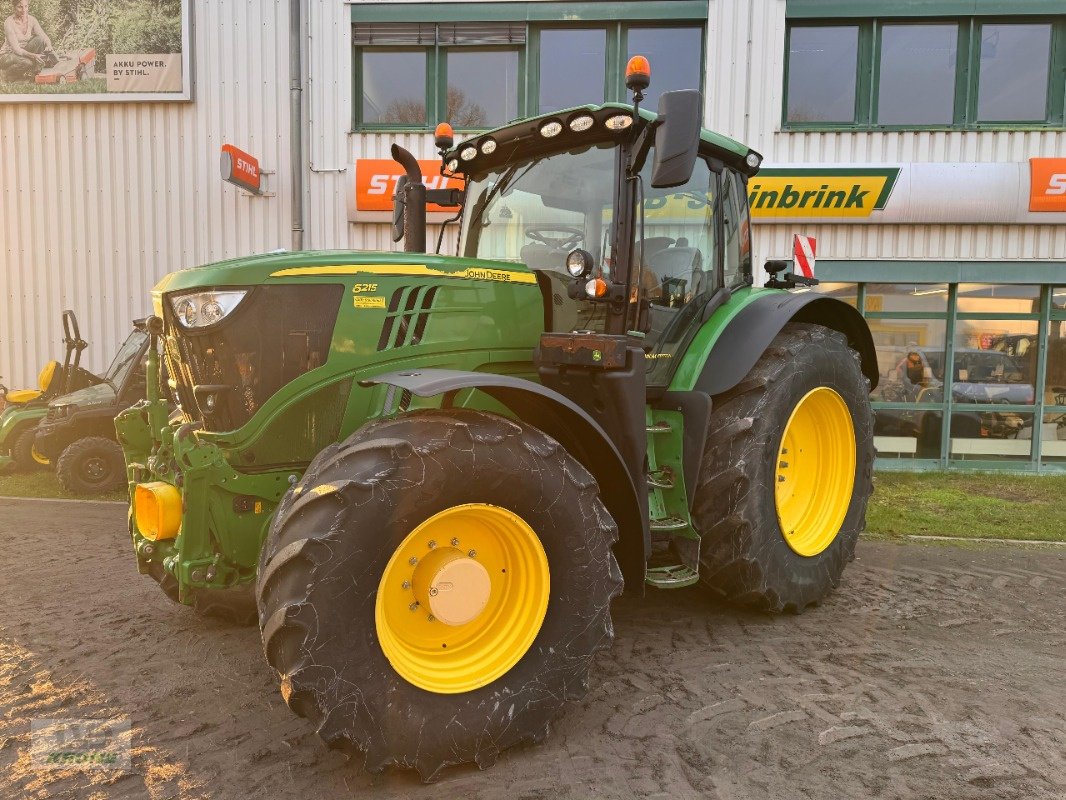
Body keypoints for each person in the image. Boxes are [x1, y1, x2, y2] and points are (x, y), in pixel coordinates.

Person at [0, 0, 53, 83]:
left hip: (23, 52)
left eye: (26, 6)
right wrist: (34, 56)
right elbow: (16, 49)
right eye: (20, 7)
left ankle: (35, 74)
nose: (24, 10)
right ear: (14, 7)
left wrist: (49, 46)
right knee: (28, 63)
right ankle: (6, 75)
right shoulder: (9, 22)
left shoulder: (32, 19)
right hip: (7, 55)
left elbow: (43, 36)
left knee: (40, 39)